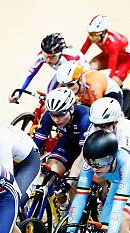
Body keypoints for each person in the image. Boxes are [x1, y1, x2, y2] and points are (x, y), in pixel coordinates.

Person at [33, 87, 91, 215]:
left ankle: (76, 217)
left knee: (75, 183)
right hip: (69, 142)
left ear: (71, 108)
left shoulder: (84, 118)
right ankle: (63, 207)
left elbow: (83, 156)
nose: (56, 119)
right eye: (53, 114)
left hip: (87, 148)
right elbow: (36, 145)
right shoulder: (50, 115)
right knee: (51, 173)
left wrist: (71, 179)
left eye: (60, 114)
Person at [9, 33, 87, 103]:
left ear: (60, 54)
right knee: (50, 93)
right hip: (63, 72)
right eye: (46, 56)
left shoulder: (69, 59)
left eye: (52, 57)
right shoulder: (41, 56)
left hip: (80, 73)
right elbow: (29, 75)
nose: (48, 59)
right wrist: (18, 93)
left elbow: (80, 81)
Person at [88, 97, 130, 168]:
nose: (99, 129)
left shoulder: (126, 129)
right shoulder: (94, 126)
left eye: (104, 126)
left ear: (115, 122)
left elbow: (126, 159)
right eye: (96, 125)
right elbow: (85, 156)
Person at [80, 15, 130, 86]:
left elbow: (110, 71)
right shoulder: (93, 37)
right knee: (90, 68)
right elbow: (81, 53)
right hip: (108, 55)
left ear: (103, 33)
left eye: (94, 34)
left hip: (125, 61)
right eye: (90, 33)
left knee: (112, 84)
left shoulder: (113, 44)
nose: (91, 37)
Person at [56, 60, 123, 107]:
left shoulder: (93, 87)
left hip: (110, 94)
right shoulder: (68, 82)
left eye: (70, 85)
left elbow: (97, 111)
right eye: (64, 85)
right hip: (86, 94)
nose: (67, 89)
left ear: (80, 80)